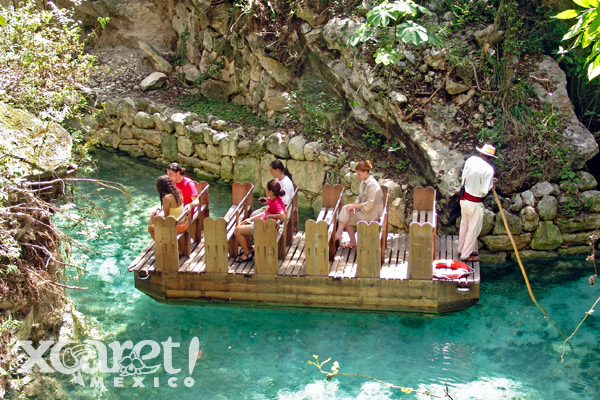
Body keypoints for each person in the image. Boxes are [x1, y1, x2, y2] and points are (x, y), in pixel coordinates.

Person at [140, 176, 189, 280]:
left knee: (150, 227)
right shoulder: (178, 192)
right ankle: (164, 244)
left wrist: (157, 217)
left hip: (175, 227)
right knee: (153, 221)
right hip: (184, 222)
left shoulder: (166, 198)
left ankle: (163, 246)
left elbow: (166, 217)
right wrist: (158, 212)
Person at [457, 144, 499, 262]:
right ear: (491, 158)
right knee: (473, 228)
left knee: (464, 224)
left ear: (481, 153)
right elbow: (484, 190)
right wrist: (492, 185)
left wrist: (490, 181)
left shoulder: (471, 160)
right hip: (474, 202)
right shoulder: (489, 170)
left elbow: (466, 176)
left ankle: (461, 248)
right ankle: (466, 254)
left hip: (463, 198)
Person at [234, 180, 287, 262]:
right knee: (244, 224)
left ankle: (247, 253)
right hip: (265, 225)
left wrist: (270, 216)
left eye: (266, 189)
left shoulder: (276, 203)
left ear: (271, 191)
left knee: (237, 230)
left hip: (265, 228)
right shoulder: (274, 199)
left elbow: (283, 216)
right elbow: (265, 213)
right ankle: (250, 249)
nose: (265, 190)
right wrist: (250, 219)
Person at [334, 160, 384, 248]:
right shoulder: (363, 183)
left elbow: (369, 204)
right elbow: (359, 198)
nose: (357, 176)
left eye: (359, 174)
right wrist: (353, 208)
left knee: (347, 219)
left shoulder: (372, 185)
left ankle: (340, 233)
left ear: (365, 172)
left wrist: (354, 206)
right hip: (366, 212)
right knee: (346, 210)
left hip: (372, 215)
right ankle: (343, 235)